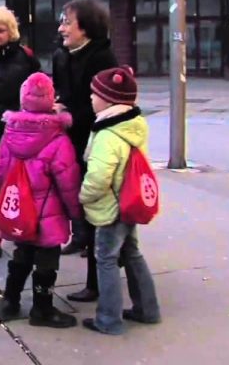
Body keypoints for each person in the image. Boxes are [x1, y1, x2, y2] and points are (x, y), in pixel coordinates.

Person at [0, 72, 83, 328]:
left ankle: (10, 301)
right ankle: (42, 309)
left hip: (21, 208)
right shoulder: (57, 138)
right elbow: (68, 182)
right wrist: (76, 214)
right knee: (47, 258)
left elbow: (0, 171)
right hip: (48, 211)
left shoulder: (9, 132)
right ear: (50, 99)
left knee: (22, 253)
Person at [79, 66, 161, 335]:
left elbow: (99, 177)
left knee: (106, 259)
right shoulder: (132, 125)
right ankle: (147, 309)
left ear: (109, 99)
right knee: (132, 253)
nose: (91, 97)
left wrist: (83, 196)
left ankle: (108, 319)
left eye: (95, 93)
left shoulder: (108, 135)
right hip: (129, 202)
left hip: (110, 209)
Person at [52, 0, 118, 303]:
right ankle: (86, 246)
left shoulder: (102, 58)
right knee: (83, 207)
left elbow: (103, 107)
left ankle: (98, 283)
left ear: (86, 27)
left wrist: (68, 114)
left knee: (99, 213)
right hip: (73, 141)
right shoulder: (64, 55)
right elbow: (66, 92)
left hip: (97, 144)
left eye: (67, 21)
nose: (61, 27)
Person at [0, 6, 41, 258]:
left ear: (11, 31)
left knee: (18, 184)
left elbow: (38, 89)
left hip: (19, 132)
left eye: (0, 30)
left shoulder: (25, 57)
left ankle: (20, 228)